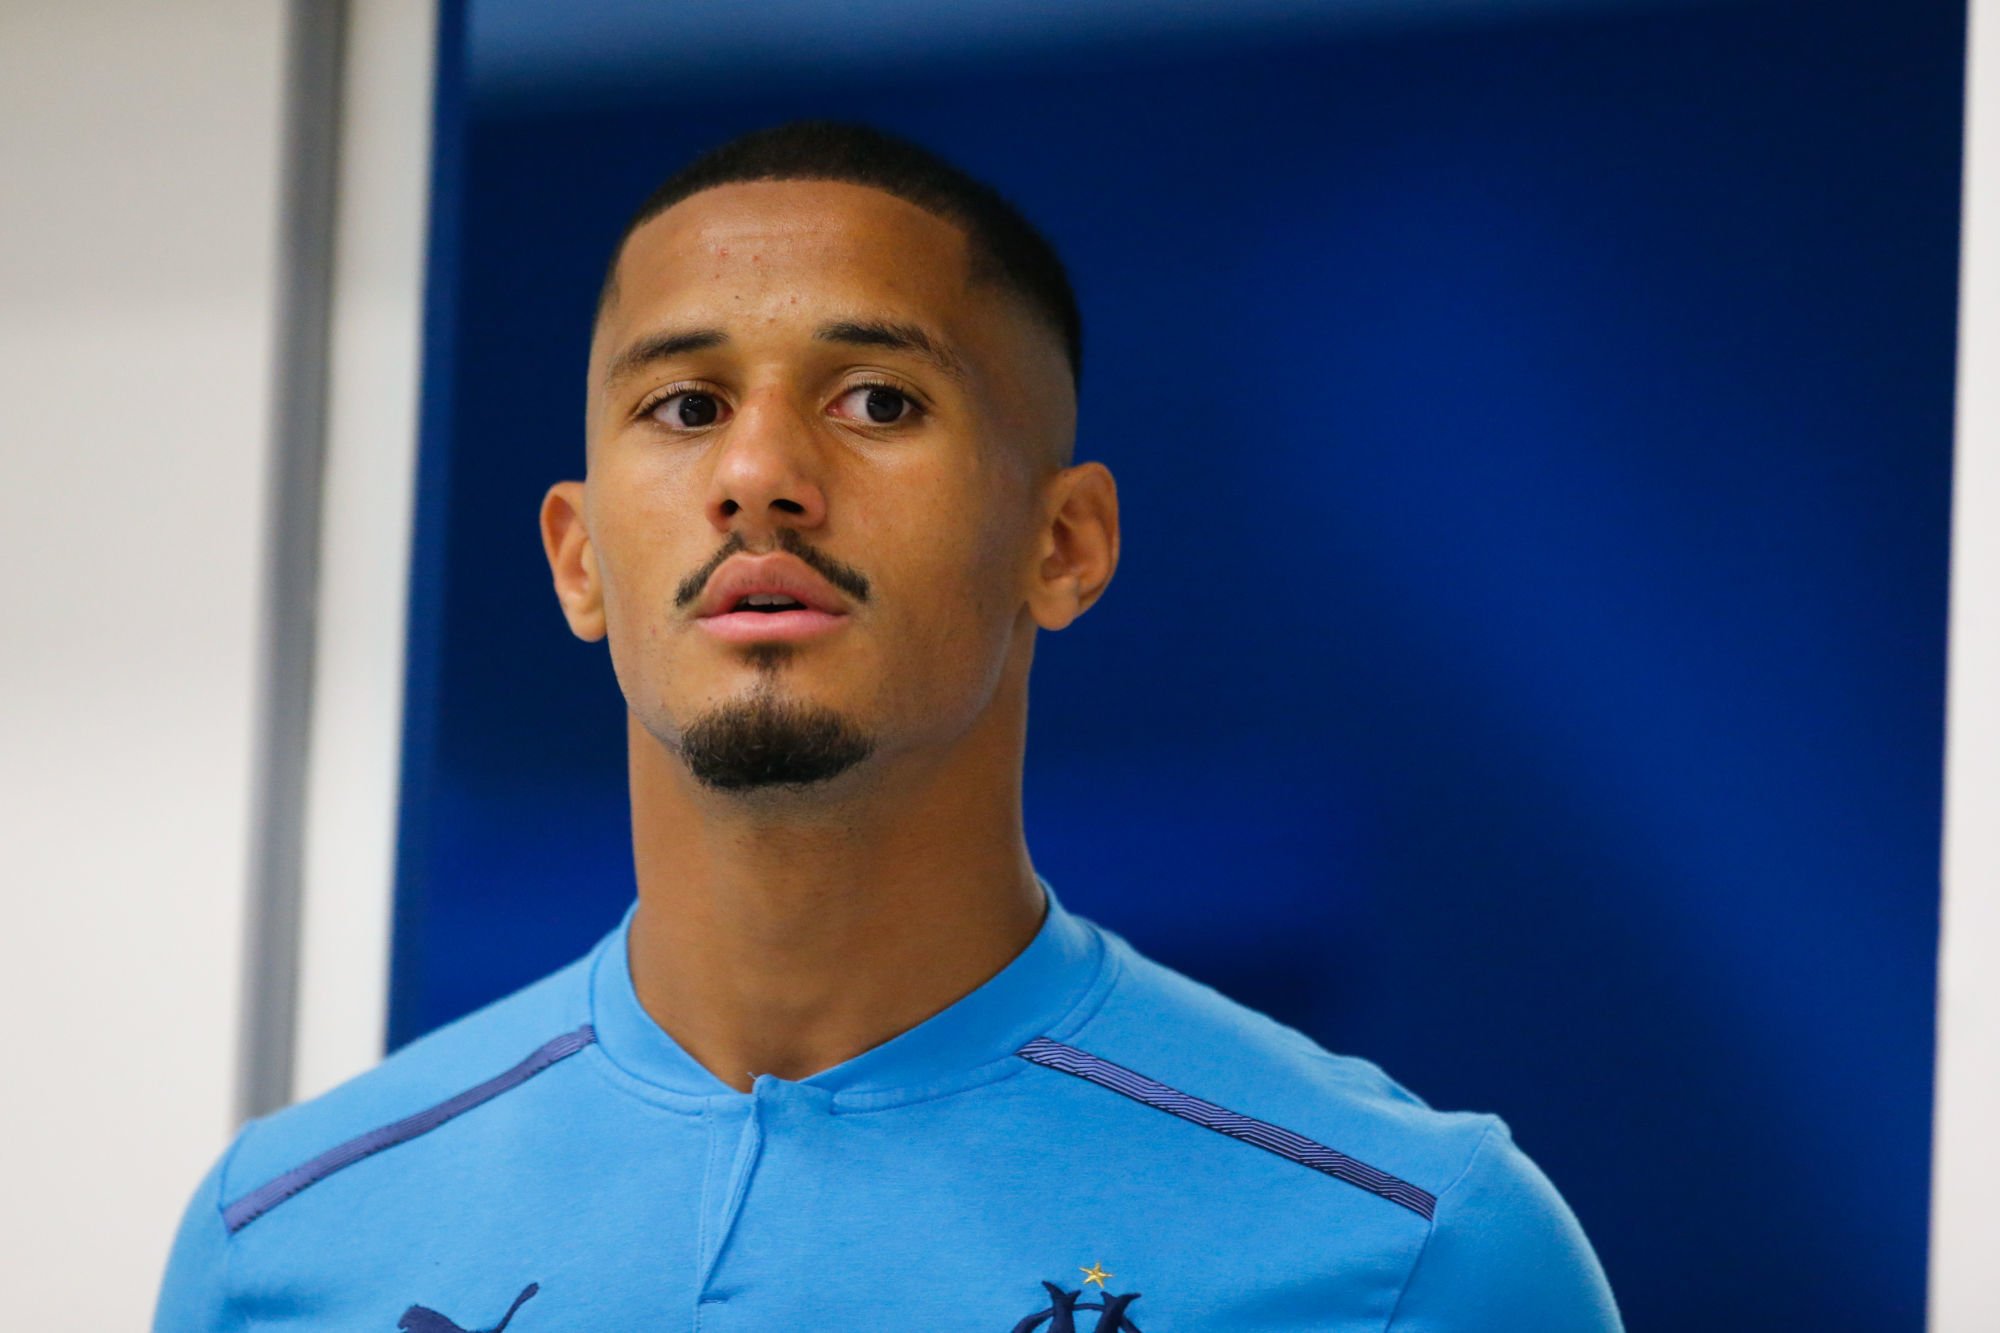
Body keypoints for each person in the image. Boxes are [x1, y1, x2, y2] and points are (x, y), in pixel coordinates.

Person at [155, 120, 1621, 1331]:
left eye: (875, 399)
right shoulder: (279, 1244)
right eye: (684, 406)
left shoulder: (1420, 1253)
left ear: (1065, 543)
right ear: (578, 557)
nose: (758, 474)